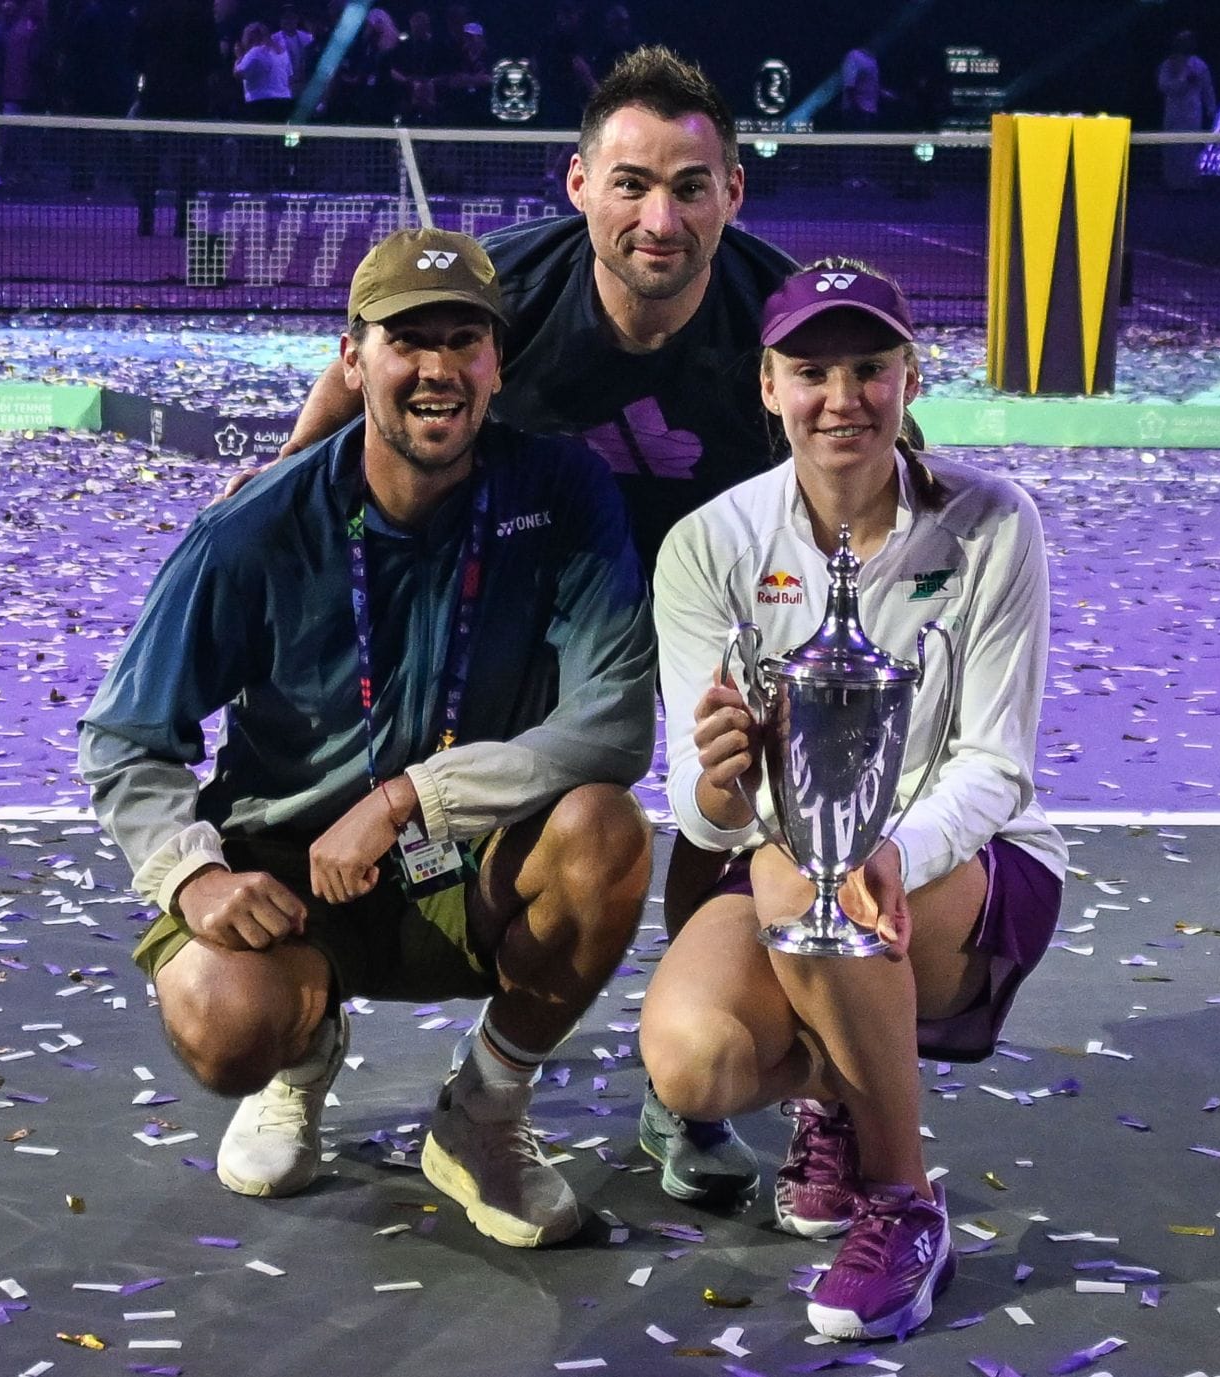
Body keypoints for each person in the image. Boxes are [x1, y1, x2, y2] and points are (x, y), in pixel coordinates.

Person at [263, 46, 802, 1211]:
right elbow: (362, 373)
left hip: (720, 589)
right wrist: (273, 494)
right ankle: (301, 1039)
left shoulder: (780, 314)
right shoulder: (504, 287)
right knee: (390, 766)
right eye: (631, 183)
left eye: (691, 186)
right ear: (577, 185)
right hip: (537, 576)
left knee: (735, 803)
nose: (661, 217)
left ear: (733, 195)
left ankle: (687, 1083)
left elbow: (855, 443)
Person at [80, 228, 656, 1249]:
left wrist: (409, 800)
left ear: (496, 364)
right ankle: (303, 1052)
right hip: (294, 868)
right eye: (407, 340)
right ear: (354, 360)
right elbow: (128, 735)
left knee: (606, 833)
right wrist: (193, 879)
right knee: (222, 1021)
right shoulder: (257, 527)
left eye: (464, 340)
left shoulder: (559, 494)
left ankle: (482, 1113)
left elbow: (611, 720)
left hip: (469, 858)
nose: (437, 368)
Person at [639, 259, 1066, 1340]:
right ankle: (839, 1086)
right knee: (694, 1058)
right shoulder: (708, 548)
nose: (843, 399)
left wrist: (894, 851)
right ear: (767, 386)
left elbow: (995, 765)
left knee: (806, 880)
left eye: (870, 368)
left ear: (911, 377)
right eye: (811, 371)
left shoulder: (992, 525)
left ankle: (903, 1202)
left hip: (973, 868)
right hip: (793, 882)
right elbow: (700, 812)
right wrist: (724, 784)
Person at [1157, 29, 1216, 190]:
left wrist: (1211, 110)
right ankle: (1173, 183)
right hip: (1174, 112)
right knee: (1172, 146)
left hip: (1192, 113)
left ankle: (1190, 182)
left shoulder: (1199, 65)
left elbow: (1207, 89)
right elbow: (1163, 86)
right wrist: (1183, 83)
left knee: (1190, 147)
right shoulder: (1169, 64)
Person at [231, 20, 293, 121]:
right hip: (284, 100)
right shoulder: (282, 52)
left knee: (262, 135)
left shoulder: (255, 52)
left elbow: (238, 74)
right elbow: (290, 76)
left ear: (252, 36)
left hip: (261, 102)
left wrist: (239, 57)